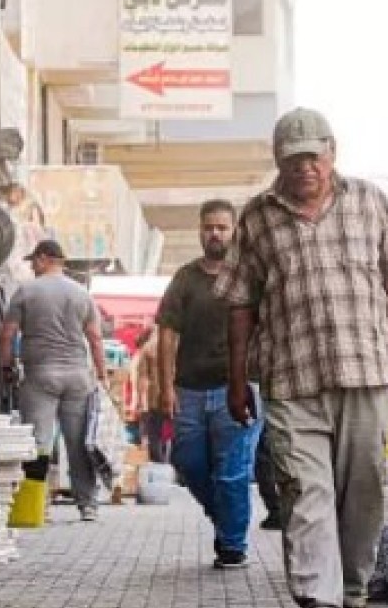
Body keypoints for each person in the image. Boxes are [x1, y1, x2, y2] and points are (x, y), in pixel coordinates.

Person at [214, 107, 388, 608]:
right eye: (293, 159)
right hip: (292, 380)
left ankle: (353, 591)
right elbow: (241, 304)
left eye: (313, 156)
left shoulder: (370, 201)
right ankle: (317, 597)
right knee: (304, 493)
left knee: (364, 494)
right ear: (277, 161)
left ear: (332, 154)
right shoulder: (258, 217)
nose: (304, 168)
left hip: (366, 372)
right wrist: (236, 380)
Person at [157, 199, 263, 569]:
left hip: (237, 388)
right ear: (199, 231)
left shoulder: (250, 276)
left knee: (232, 470)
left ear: (234, 231)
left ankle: (232, 546)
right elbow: (167, 333)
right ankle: (228, 522)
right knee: (187, 463)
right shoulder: (186, 278)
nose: (215, 233)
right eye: (208, 227)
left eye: (222, 227)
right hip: (188, 389)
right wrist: (165, 386)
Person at [0, 239, 110, 522]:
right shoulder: (81, 293)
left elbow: (7, 334)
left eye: (34, 261)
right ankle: (88, 506)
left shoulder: (26, 291)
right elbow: (95, 338)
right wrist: (102, 374)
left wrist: (6, 366)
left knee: (38, 443)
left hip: (40, 376)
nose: (32, 267)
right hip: (77, 376)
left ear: (45, 258)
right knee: (78, 443)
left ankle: (39, 506)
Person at [131, 325, 170, 462]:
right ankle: (169, 463)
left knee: (155, 434)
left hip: (155, 398)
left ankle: (159, 464)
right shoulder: (178, 344)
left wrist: (141, 401)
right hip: (177, 396)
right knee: (171, 433)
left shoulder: (148, 348)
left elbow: (142, 378)